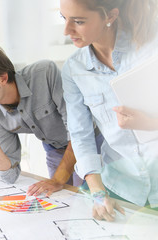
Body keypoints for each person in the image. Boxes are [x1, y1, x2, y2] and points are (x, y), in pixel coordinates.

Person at [60, 0, 158, 221]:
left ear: (110, 17)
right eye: (63, 18)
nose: (66, 31)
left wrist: (149, 124)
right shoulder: (73, 69)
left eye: (78, 21)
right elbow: (80, 135)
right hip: (120, 187)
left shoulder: (151, 47)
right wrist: (97, 192)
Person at [0, 44, 92, 191]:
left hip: (88, 142)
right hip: (55, 149)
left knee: (90, 200)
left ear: (2, 78)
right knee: (61, 200)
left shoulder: (45, 73)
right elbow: (9, 176)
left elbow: (79, 132)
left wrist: (57, 180)